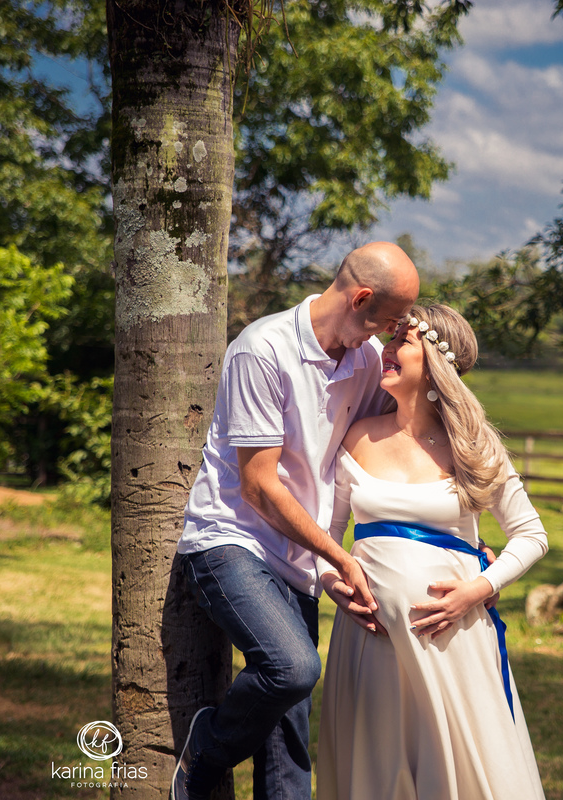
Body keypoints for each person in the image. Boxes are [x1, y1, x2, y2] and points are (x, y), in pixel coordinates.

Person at [169, 242, 420, 800]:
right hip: (231, 542)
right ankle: (203, 754)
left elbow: (396, 449)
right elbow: (258, 486)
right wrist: (338, 556)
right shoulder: (263, 349)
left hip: (299, 558)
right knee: (292, 668)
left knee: (291, 745)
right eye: (390, 319)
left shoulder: (366, 359)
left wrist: (466, 549)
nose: (391, 334)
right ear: (359, 298)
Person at [316, 304, 549, 800]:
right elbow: (324, 539)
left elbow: (532, 535)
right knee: (376, 766)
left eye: (402, 340)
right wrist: (333, 585)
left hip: (450, 637)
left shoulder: (473, 445)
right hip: (368, 640)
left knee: (460, 769)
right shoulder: (356, 437)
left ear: (436, 361)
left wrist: (477, 590)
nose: (386, 349)